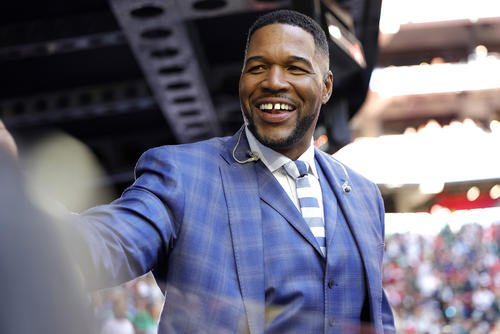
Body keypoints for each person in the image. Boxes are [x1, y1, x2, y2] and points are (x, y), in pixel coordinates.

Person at [1, 9, 395, 333]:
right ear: (242, 79)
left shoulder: (361, 195)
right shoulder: (183, 175)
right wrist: (16, 202)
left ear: (326, 86)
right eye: (257, 67)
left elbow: (377, 318)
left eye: (294, 68)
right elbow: (104, 244)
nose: (273, 82)